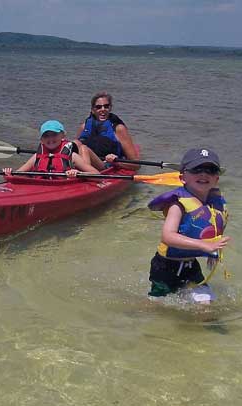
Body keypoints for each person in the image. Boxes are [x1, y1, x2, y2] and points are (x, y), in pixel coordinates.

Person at [146, 148, 230, 304]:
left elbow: (214, 228)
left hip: (191, 266)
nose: (204, 174)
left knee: (206, 304)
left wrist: (214, 251)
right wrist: (203, 245)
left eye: (210, 170)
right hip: (165, 267)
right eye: (197, 169)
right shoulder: (178, 205)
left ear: (216, 179)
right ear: (182, 177)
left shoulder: (214, 204)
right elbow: (167, 236)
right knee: (156, 306)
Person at [3, 120, 99, 178]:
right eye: (46, 136)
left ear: (63, 136)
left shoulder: (72, 156)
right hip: (42, 188)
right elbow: (18, 174)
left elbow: (96, 174)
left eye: (54, 134)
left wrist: (79, 173)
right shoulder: (36, 156)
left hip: (65, 188)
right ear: (41, 140)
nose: (50, 139)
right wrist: (9, 173)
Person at [74, 91, 141, 171]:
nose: (103, 109)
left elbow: (136, 165)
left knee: (84, 149)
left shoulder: (118, 129)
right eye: (98, 107)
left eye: (106, 106)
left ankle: (88, 174)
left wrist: (116, 162)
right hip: (85, 164)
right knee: (76, 143)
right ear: (93, 110)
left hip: (104, 166)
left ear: (110, 108)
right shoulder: (84, 127)